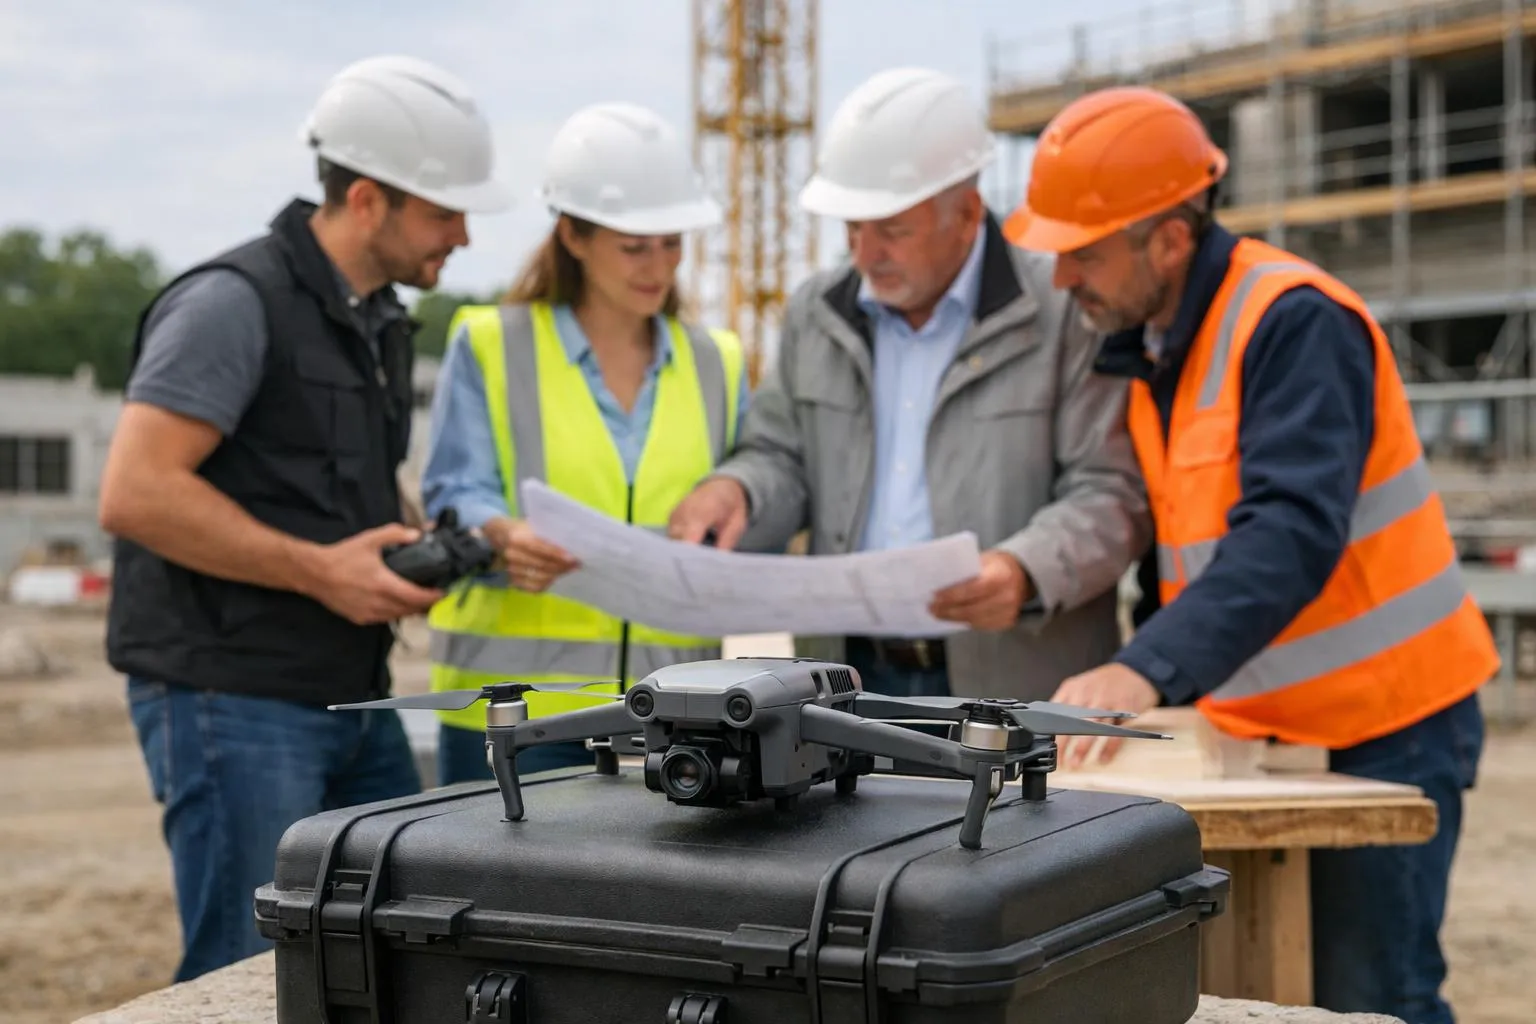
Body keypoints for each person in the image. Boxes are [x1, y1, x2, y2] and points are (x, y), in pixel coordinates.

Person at [1006, 86, 1498, 1024]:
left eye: (1086, 252)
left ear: (1171, 239)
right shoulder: (1155, 345)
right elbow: (1190, 555)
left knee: (1372, 996)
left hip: (1385, 724)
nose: (1064, 278)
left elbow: (1290, 531)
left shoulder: (1294, 319)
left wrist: (1142, 670)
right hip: (1260, 732)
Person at [97, 55, 511, 983]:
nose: (466, 235)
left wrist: (429, 548)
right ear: (368, 199)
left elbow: (326, 485)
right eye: (445, 211)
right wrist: (322, 570)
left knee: (390, 945)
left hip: (347, 693)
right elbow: (136, 493)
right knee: (247, 972)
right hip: (233, 699)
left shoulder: (375, 321)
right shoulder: (230, 305)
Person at [665, 67, 1149, 701]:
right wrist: (741, 491)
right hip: (845, 681)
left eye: (892, 231)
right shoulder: (818, 311)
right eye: (852, 231)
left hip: (1019, 680)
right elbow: (780, 455)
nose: (866, 254)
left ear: (968, 213)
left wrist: (1024, 571)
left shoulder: (1063, 310)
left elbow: (1112, 490)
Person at [420, 101, 750, 785]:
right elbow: (455, 488)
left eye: (672, 243)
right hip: (513, 713)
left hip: (675, 712)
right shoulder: (489, 342)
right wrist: (503, 534)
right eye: (634, 246)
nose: (657, 266)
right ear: (572, 234)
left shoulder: (718, 361)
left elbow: (746, 484)